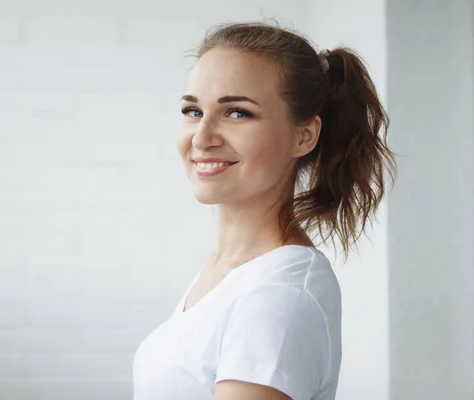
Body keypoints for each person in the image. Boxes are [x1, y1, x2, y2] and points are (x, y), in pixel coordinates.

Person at [132, 21, 396, 400]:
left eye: (237, 113)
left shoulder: (278, 294)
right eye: (192, 110)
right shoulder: (228, 271)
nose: (202, 137)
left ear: (304, 135)